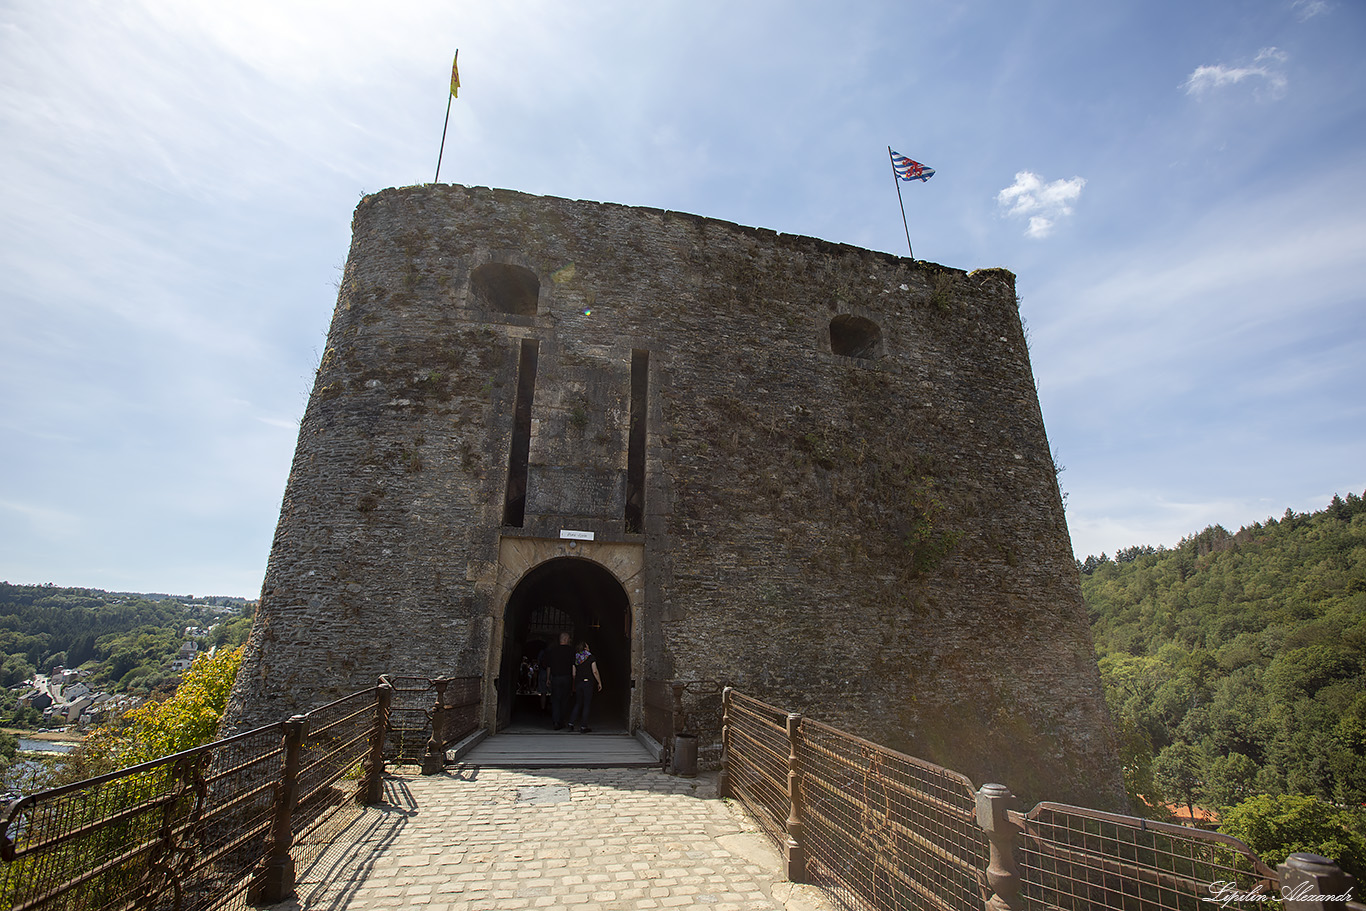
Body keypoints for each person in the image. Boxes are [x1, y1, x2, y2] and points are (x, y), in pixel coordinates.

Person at [566, 641, 602, 733]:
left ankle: (571, 723)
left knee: (578, 703)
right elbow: (595, 671)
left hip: (578, 683)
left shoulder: (576, 658)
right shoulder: (591, 657)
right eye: (588, 647)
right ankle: (583, 726)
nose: (589, 648)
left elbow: (573, 674)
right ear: (585, 648)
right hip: (587, 683)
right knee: (586, 704)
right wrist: (599, 682)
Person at [542, 632, 575, 730]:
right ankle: (561, 720)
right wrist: (574, 680)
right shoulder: (571, 651)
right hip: (567, 678)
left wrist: (548, 678)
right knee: (564, 701)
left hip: (556, 678)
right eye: (569, 639)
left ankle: (556, 721)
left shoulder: (552, 651)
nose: (569, 640)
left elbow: (549, 666)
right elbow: (573, 666)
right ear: (565, 639)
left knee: (555, 700)